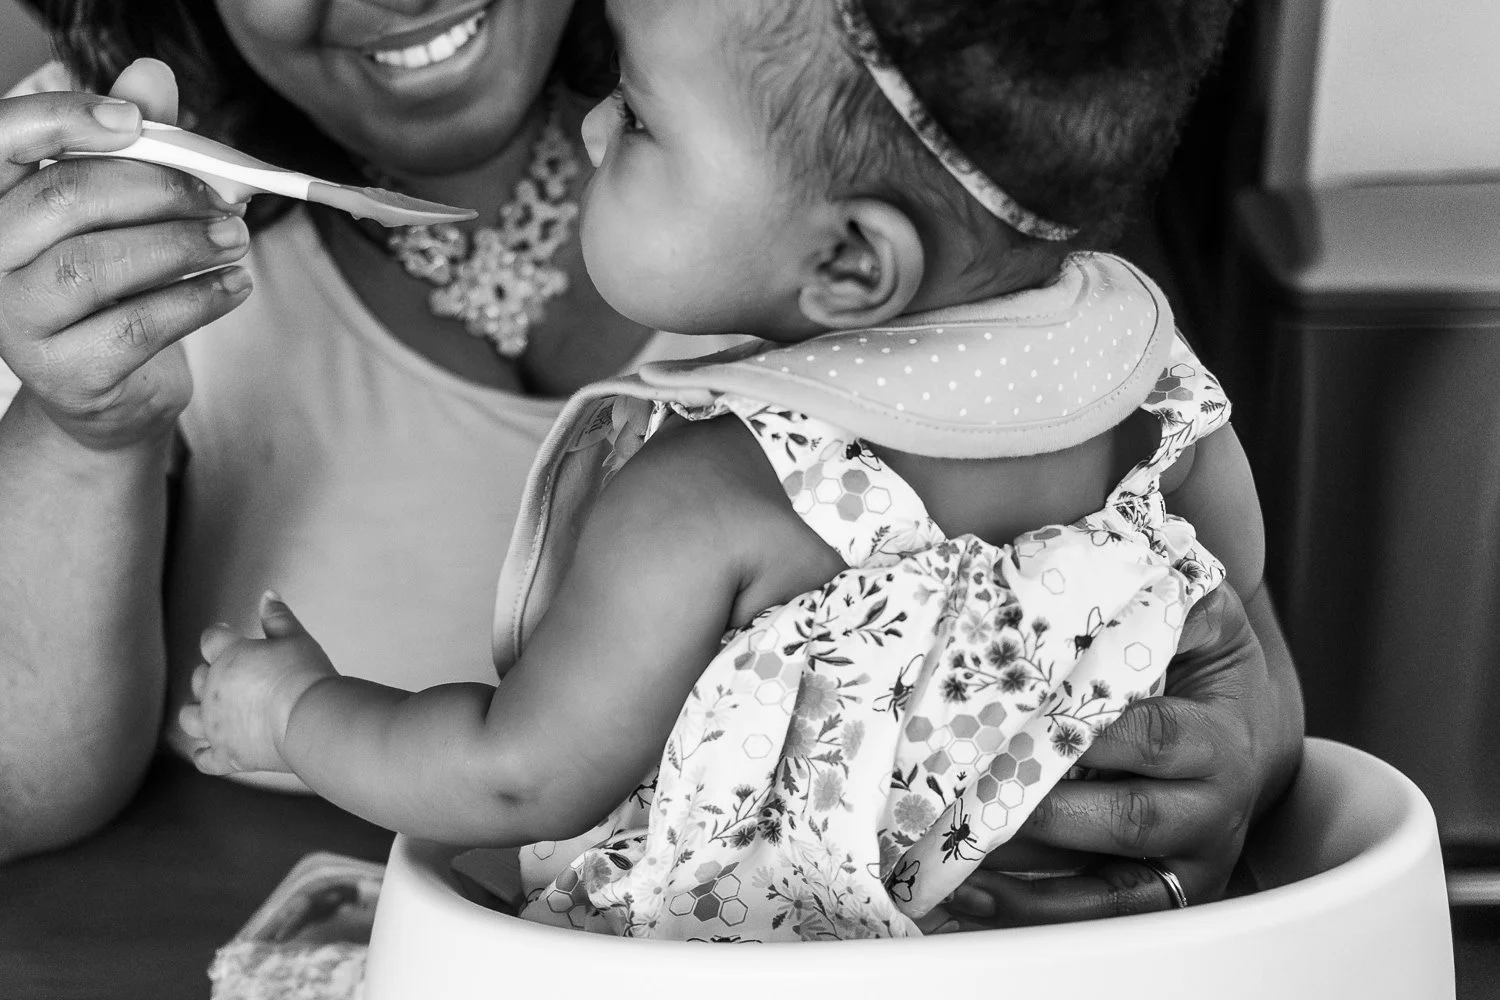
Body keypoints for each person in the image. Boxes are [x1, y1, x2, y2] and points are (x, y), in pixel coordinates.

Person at [0, 0, 1302, 925]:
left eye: (639, 116)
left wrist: (293, 710)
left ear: (851, 266)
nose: (594, 136)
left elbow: (519, 773)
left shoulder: (699, 489)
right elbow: (1233, 601)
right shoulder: (1138, 366)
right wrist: (84, 425)